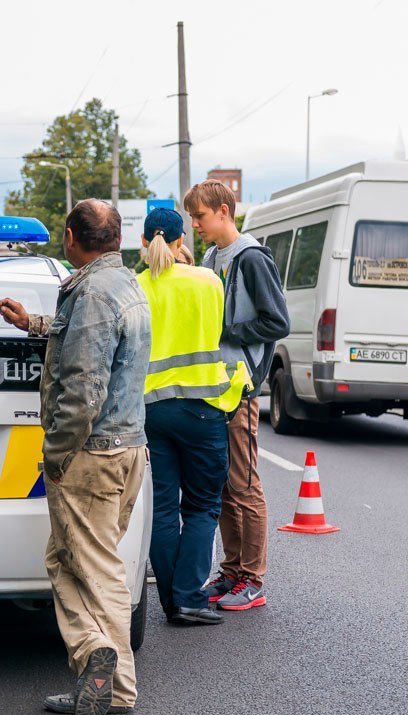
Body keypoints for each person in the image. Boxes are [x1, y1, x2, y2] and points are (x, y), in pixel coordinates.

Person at [0, 200, 150, 715]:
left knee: (95, 566)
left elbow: (83, 389)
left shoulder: (92, 295)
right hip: (128, 449)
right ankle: (100, 663)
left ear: (70, 237)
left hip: (91, 454)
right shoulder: (125, 285)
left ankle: (109, 673)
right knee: (67, 560)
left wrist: (56, 455)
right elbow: (88, 342)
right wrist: (35, 323)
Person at [134, 207, 250, 627]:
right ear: (182, 241)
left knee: (162, 508)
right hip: (203, 409)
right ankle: (188, 599)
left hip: (150, 411)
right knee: (201, 507)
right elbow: (222, 334)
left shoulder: (135, 286)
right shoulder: (206, 280)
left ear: (144, 242)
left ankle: (170, 599)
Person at [183, 180, 290, 611]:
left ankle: (253, 578)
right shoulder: (211, 257)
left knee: (244, 484)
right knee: (223, 482)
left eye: (201, 216)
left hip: (240, 386)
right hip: (215, 385)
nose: (196, 224)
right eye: (192, 217)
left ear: (224, 211)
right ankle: (230, 572)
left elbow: (277, 322)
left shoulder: (251, 258)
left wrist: (227, 332)